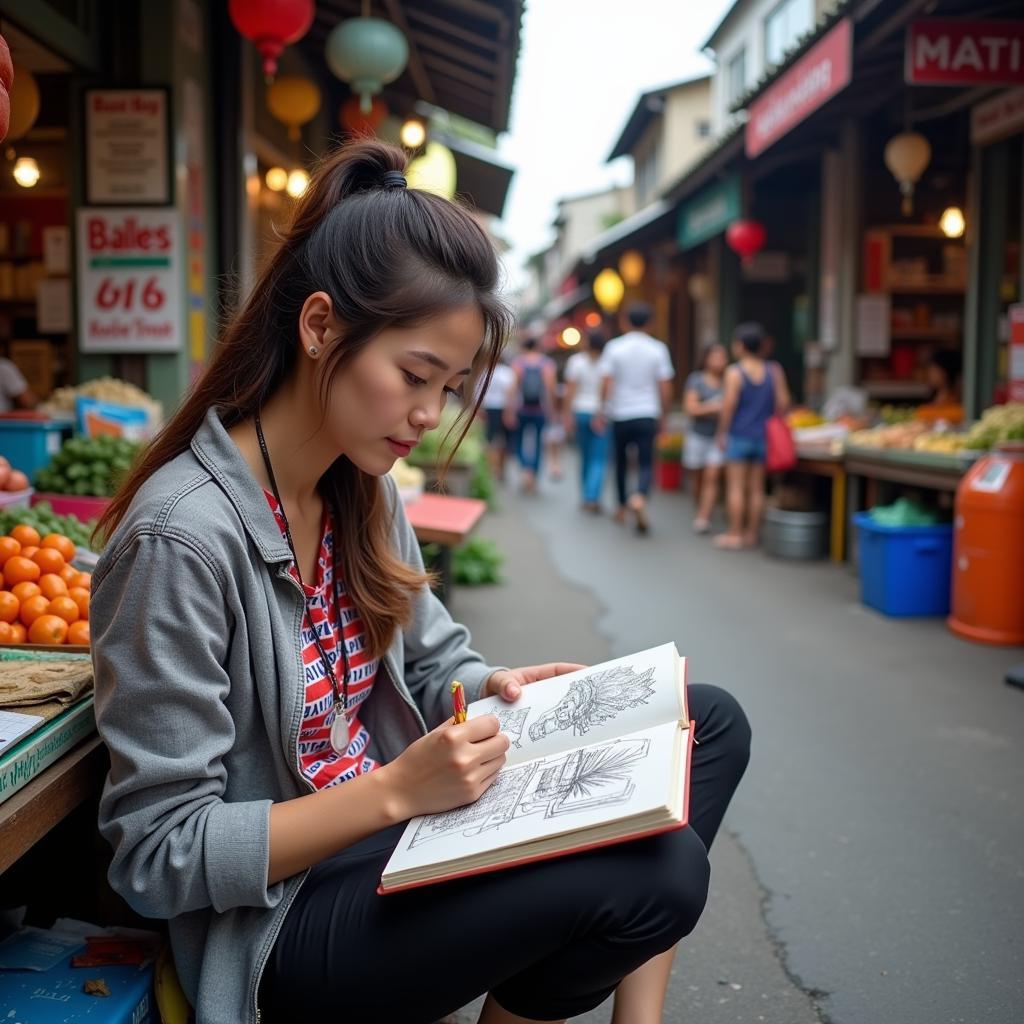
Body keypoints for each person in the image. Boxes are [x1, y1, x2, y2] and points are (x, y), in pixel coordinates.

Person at [89, 140, 750, 1024]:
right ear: (319, 326)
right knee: (660, 873)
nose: (430, 416)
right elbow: (157, 853)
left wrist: (493, 688)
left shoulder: (361, 488)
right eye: (414, 377)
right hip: (284, 924)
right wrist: (397, 790)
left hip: (403, 837)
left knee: (704, 724)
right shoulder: (182, 538)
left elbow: (438, 657)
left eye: (451, 385)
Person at [597, 302, 674, 534]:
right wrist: (664, 415)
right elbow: (665, 386)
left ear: (625, 321)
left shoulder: (614, 347)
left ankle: (621, 507)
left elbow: (607, 382)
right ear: (650, 323)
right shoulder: (658, 349)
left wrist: (602, 408)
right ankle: (640, 495)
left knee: (620, 462)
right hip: (647, 412)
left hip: (620, 413)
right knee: (645, 461)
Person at [714, 322, 791, 550]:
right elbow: (783, 403)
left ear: (740, 346)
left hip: (739, 434)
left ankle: (735, 533)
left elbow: (728, 405)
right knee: (757, 488)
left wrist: (721, 432)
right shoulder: (774, 370)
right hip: (763, 436)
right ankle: (752, 534)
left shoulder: (735, 372)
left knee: (736, 487)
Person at [564, 329, 609, 513]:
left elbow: (570, 391)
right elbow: (607, 390)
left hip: (580, 411)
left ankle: (586, 495)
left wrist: (567, 415)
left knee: (585, 456)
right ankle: (593, 496)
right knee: (599, 458)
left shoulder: (576, 362)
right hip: (602, 414)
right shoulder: (608, 363)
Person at [684, 344, 727, 534]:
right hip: (698, 435)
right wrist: (714, 407)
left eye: (722, 356)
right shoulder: (696, 380)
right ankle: (699, 505)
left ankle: (703, 516)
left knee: (712, 477)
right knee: (698, 478)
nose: (720, 361)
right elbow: (691, 408)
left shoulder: (730, 379)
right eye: (715, 356)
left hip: (718, 437)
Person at [504, 336, 556, 493]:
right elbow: (550, 390)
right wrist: (552, 411)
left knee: (518, 441)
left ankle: (526, 468)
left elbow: (512, 389)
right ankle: (534, 474)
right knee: (539, 444)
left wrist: (509, 410)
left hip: (522, 409)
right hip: (540, 410)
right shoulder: (546, 364)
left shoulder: (519, 363)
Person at [478, 353, 516, 480]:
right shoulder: (507, 373)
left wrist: (479, 409)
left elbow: (479, 392)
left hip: (489, 408)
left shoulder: (485, 372)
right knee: (503, 440)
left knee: (489, 439)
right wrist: (510, 412)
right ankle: (500, 467)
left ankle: (491, 466)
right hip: (503, 408)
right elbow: (510, 393)